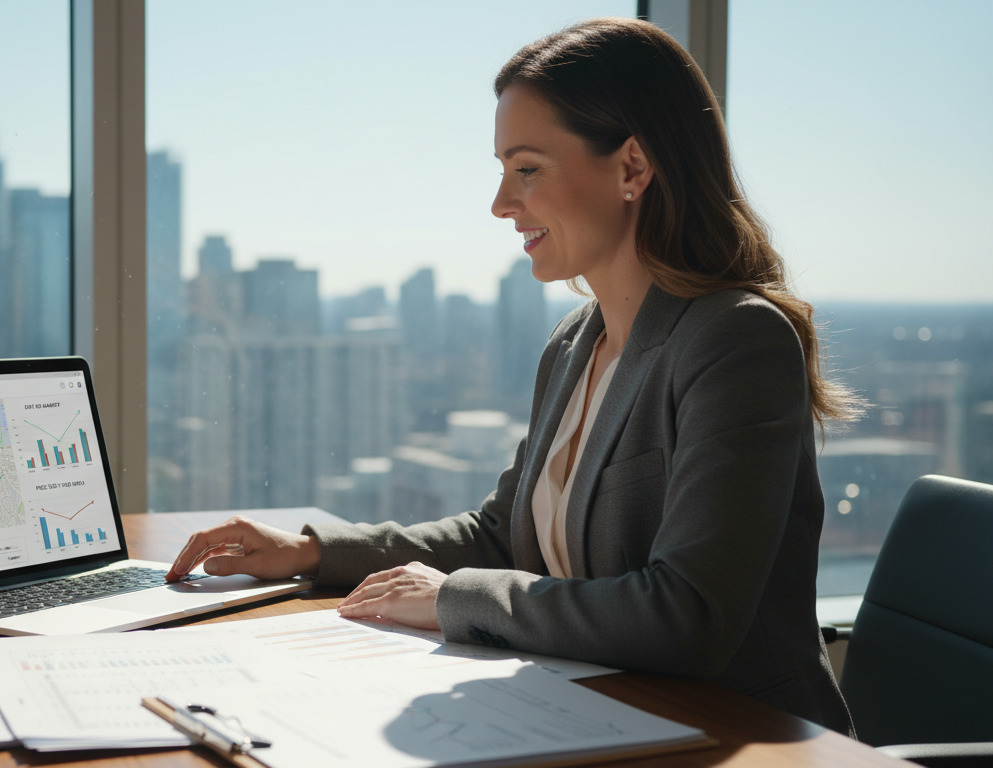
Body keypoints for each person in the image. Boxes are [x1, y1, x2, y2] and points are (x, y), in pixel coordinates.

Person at [164, 17, 859, 735]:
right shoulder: (572, 344)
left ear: (632, 168)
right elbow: (503, 534)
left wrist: (455, 598)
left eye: (527, 169)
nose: (501, 202)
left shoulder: (737, 340)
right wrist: (313, 550)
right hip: (602, 716)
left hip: (741, 738)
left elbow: (688, 616)